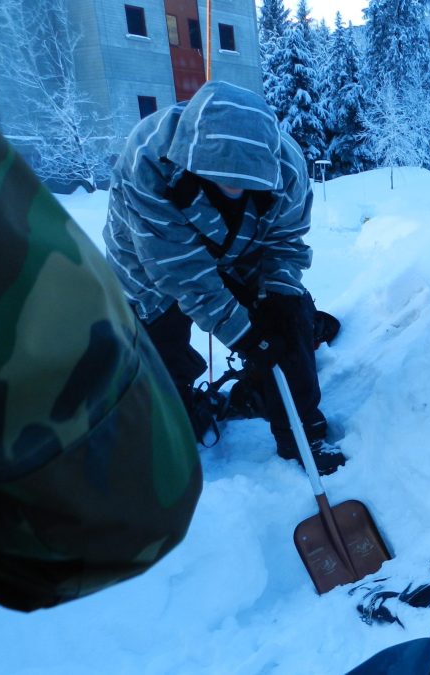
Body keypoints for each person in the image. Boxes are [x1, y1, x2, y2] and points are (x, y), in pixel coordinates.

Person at [0, 71, 202, 673]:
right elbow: (180, 273)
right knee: (173, 345)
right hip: (144, 285)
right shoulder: (149, 168)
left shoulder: (278, 177)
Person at [102, 80, 345, 474]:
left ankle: (299, 428)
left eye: (249, 182)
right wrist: (245, 336)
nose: (236, 190)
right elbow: (181, 273)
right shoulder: (148, 159)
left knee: (286, 322)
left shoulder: (287, 168)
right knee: (158, 347)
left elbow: (285, 241)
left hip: (246, 249)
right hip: (148, 258)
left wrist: (278, 300)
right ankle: (180, 407)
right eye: (224, 179)